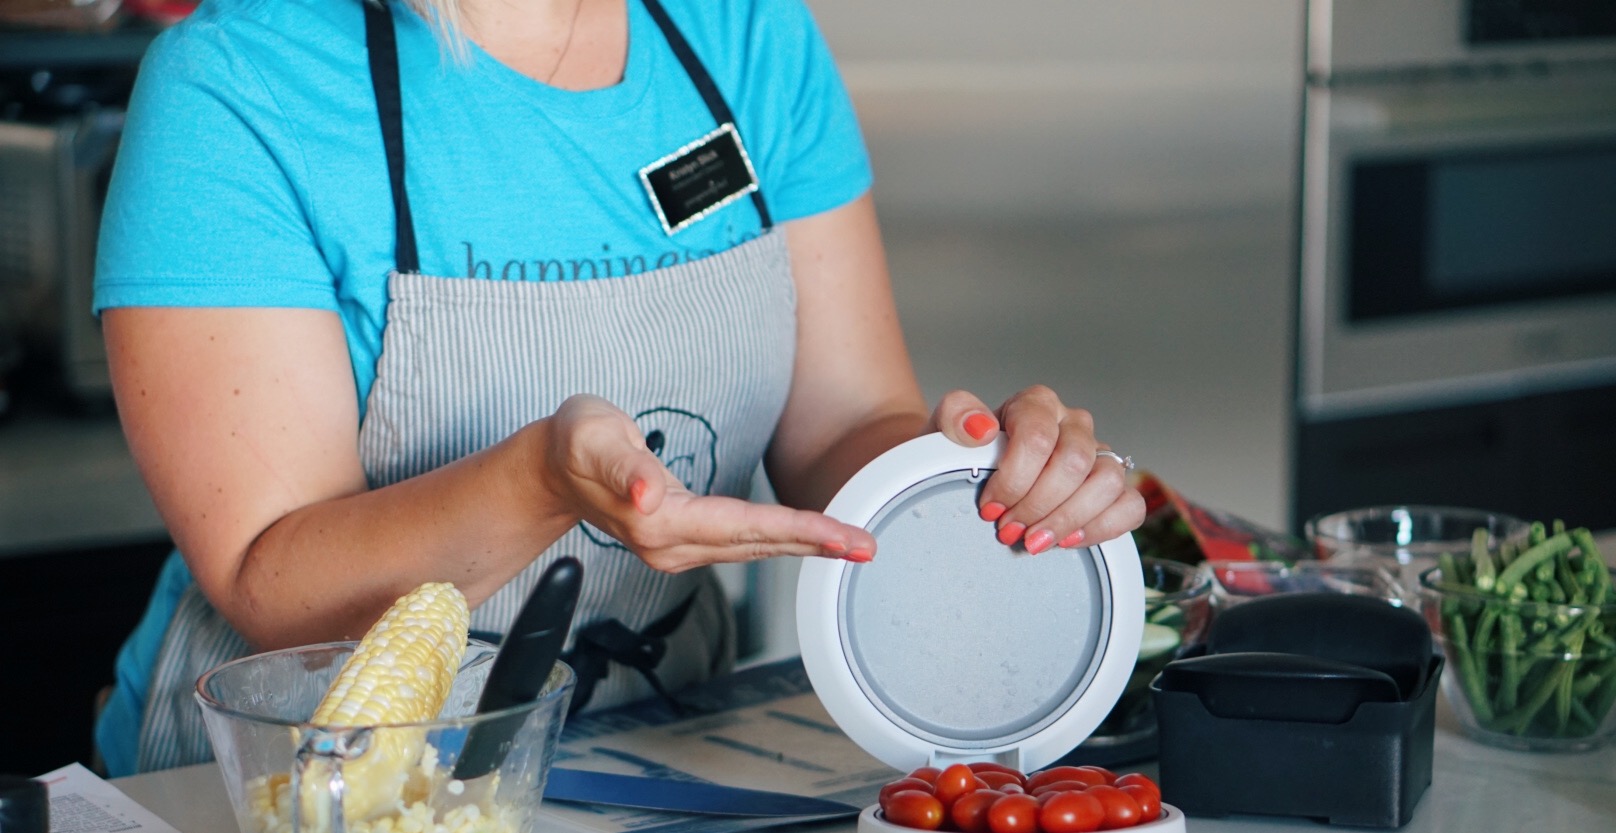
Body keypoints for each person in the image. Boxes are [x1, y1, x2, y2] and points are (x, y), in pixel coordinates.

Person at [92, 0, 1146, 776]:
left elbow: (842, 423)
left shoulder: (743, 33)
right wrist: (541, 482)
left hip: (669, 756)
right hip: (316, 793)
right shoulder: (238, 82)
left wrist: (977, 477)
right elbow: (273, 580)